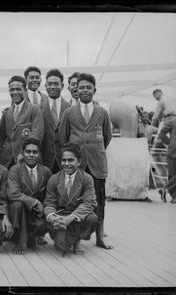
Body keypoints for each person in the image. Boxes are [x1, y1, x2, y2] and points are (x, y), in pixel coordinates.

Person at [59, 73, 113, 250]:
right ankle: (77, 239)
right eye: (81, 87)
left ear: (94, 90)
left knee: (99, 201)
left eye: (88, 87)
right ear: (76, 89)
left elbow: (107, 136)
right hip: (77, 165)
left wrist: (93, 149)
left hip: (96, 164)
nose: (84, 90)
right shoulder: (69, 113)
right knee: (76, 200)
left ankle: (100, 237)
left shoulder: (102, 113)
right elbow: (63, 137)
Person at [44, 143, 98, 255]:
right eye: (64, 160)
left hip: (77, 217)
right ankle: (62, 239)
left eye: (70, 160)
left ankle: (77, 240)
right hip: (60, 216)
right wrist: (53, 218)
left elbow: (89, 203)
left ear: (79, 161)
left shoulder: (86, 179)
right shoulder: (54, 179)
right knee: (63, 247)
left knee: (92, 218)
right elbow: (49, 203)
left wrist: (70, 218)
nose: (66, 164)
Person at [7, 137, 52, 254]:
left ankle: (33, 237)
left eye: (35, 152)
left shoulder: (46, 172)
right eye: (28, 152)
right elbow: (13, 193)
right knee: (17, 205)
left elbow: (50, 195)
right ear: (22, 153)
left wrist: (45, 209)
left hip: (36, 213)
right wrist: (35, 202)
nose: (31, 155)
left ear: (39, 154)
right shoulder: (15, 170)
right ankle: (19, 241)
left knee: (45, 223)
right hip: (19, 212)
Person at [0, 75, 44, 168]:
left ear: (25, 90)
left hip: (26, 159)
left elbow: (37, 135)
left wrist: (24, 153)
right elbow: (1, 139)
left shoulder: (34, 109)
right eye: (12, 89)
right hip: (6, 160)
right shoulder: (6, 113)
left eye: (18, 89)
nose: (15, 92)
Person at [40, 69, 71, 173]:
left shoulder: (69, 108)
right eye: (50, 84)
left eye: (56, 84)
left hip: (65, 161)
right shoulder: (37, 109)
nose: (52, 87)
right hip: (44, 161)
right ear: (46, 86)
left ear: (62, 86)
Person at [158, 116, 176, 204]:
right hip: (172, 151)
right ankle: (174, 197)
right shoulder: (173, 121)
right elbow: (162, 132)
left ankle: (164, 189)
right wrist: (169, 142)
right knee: (172, 174)